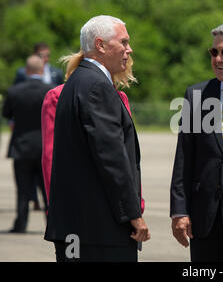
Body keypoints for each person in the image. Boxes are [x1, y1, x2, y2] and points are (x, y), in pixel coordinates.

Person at [44, 15, 150, 262]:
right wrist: (133, 215)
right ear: (101, 45)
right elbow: (111, 157)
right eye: (123, 42)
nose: (129, 49)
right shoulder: (97, 87)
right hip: (99, 230)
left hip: (78, 228)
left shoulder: (76, 82)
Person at [170, 23, 223, 261]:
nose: (218, 59)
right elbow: (183, 159)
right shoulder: (196, 96)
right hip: (203, 219)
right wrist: (179, 210)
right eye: (214, 52)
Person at [41, 52, 145, 214]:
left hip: (119, 202)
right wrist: (54, 202)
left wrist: (136, 200)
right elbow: (51, 153)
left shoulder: (121, 97)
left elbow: (125, 154)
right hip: (77, 201)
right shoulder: (58, 95)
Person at [2, 55, 54, 233]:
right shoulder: (50, 90)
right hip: (45, 147)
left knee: (23, 189)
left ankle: (21, 223)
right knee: (48, 188)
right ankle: (53, 223)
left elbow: (6, 113)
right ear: (42, 70)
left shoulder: (15, 91)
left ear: (26, 71)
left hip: (21, 146)